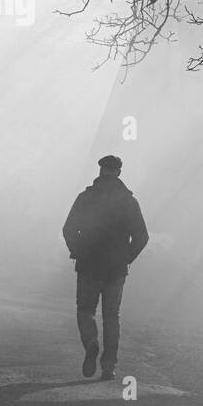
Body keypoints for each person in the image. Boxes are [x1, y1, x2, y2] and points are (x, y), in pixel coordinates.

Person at [62, 155, 149, 381]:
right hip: (116, 269)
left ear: (100, 170)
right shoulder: (129, 202)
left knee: (85, 311)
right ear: (118, 172)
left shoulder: (86, 198)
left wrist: (78, 250)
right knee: (112, 317)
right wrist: (126, 258)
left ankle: (91, 342)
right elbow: (142, 236)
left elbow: (68, 229)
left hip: (89, 265)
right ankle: (108, 367)